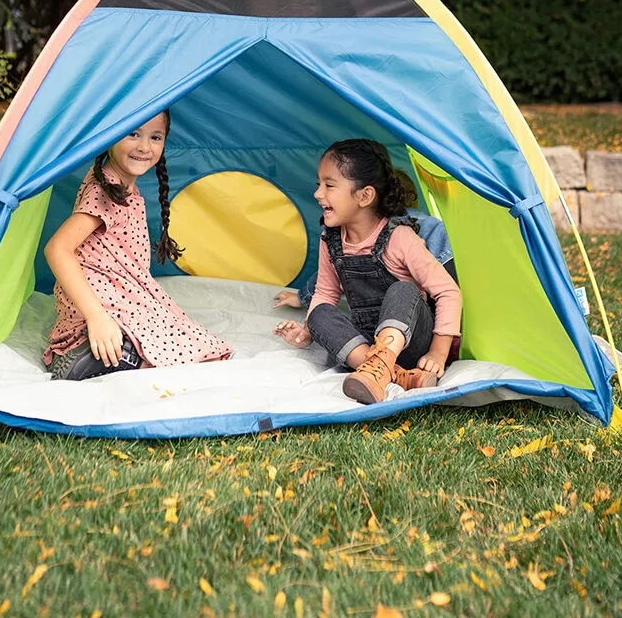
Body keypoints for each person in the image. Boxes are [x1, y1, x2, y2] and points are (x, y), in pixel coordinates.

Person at [42, 109, 232, 380]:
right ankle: (103, 353)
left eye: (155, 137)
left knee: (183, 333)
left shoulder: (115, 180)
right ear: (110, 136)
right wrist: (96, 317)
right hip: (97, 299)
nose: (144, 147)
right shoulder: (104, 190)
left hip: (115, 291)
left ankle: (107, 349)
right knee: (178, 354)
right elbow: (57, 248)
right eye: (133, 134)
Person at [273, 139, 462, 405]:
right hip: (365, 344)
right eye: (318, 184)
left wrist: (438, 354)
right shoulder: (331, 239)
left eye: (329, 185)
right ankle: (394, 375)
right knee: (320, 312)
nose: (317, 193)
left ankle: (381, 367)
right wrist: (307, 331)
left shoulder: (399, 237)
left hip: (412, 344)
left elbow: (448, 292)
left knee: (403, 290)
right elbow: (325, 292)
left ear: (365, 196)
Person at [272, 167, 456, 316]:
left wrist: (302, 297)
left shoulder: (379, 228)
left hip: (433, 277)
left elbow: (332, 271)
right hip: (452, 265)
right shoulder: (429, 222)